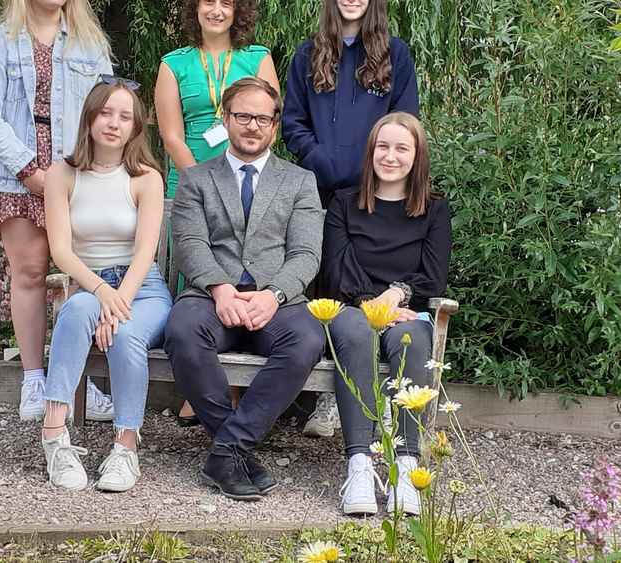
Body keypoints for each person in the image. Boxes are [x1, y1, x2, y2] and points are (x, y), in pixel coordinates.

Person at [164, 77, 326, 501]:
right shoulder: (197, 179)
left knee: (308, 338)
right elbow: (190, 245)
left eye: (262, 118)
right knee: (181, 331)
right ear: (226, 119)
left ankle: (226, 449)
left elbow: (306, 254)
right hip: (211, 297)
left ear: (275, 125)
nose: (252, 126)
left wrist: (273, 295)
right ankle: (234, 449)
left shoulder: (299, 182)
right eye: (242, 116)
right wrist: (220, 288)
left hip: (276, 301)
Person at [0, 0, 115, 422]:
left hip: (76, 177)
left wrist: (88, 171)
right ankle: (34, 380)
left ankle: (74, 380)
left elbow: (106, 108)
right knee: (30, 274)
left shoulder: (90, 45)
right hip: (14, 177)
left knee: (80, 278)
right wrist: (30, 171)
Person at [281, 0, 419, 439]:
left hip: (373, 190)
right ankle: (318, 397)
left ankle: (364, 395)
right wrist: (320, 159)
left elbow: (405, 121)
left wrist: (371, 168)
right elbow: (292, 121)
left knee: (363, 277)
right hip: (319, 187)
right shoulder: (308, 53)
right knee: (325, 283)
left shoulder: (394, 54)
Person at [40, 79, 172, 491]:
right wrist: (100, 293)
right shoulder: (62, 175)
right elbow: (61, 251)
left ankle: (125, 449)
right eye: (105, 113)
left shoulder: (146, 178)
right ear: (90, 118)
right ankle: (54, 437)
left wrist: (119, 304)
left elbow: (145, 253)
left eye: (124, 116)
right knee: (76, 311)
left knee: (127, 334)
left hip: (142, 288)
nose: (113, 123)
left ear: (136, 126)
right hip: (89, 285)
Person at [155, 0, 280, 427]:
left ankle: (233, 386)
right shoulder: (174, 64)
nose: (216, 9)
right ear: (195, 9)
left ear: (237, 11)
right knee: (196, 278)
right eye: (208, 1)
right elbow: (171, 134)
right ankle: (196, 385)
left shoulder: (257, 58)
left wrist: (231, 183)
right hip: (190, 184)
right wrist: (202, 184)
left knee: (241, 270)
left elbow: (268, 123)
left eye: (226, 2)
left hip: (246, 181)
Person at [322, 112, 451, 515]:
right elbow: (336, 265)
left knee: (412, 340)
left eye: (401, 148)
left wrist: (396, 296)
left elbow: (434, 275)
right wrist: (370, 305)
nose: (390, 156)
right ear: (370, 151)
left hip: (406, 309)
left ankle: (405, 464)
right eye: (383, 146)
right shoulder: (344, 202)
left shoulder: (434, 209)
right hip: (351, 306)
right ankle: (359, 464)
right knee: (358, 334)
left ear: (417, 156)